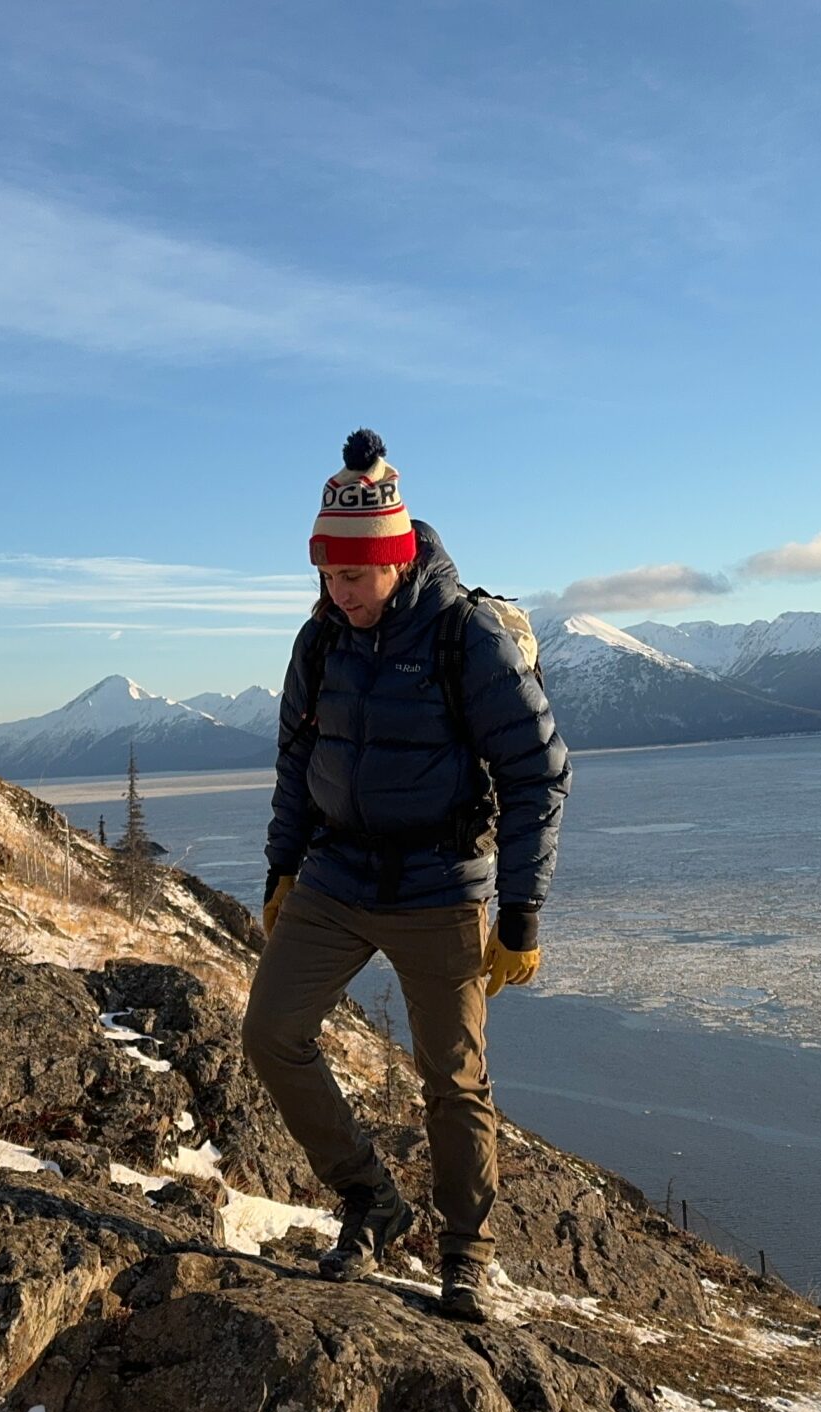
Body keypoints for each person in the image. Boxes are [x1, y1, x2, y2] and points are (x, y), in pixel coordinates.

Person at [243, 429, 570, 1323]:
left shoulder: (466, 638)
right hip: (338, 874)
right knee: (271, 1032)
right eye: (327, 575)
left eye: (354, 577)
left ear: (394, 561)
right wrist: (282, 869)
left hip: (441, 883)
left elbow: (539, 770)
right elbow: (294, 761)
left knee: (452, 1079)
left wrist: (522, 912)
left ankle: (465, 1250)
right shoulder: (320, 642)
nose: (338, 593)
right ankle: (369, 1201)